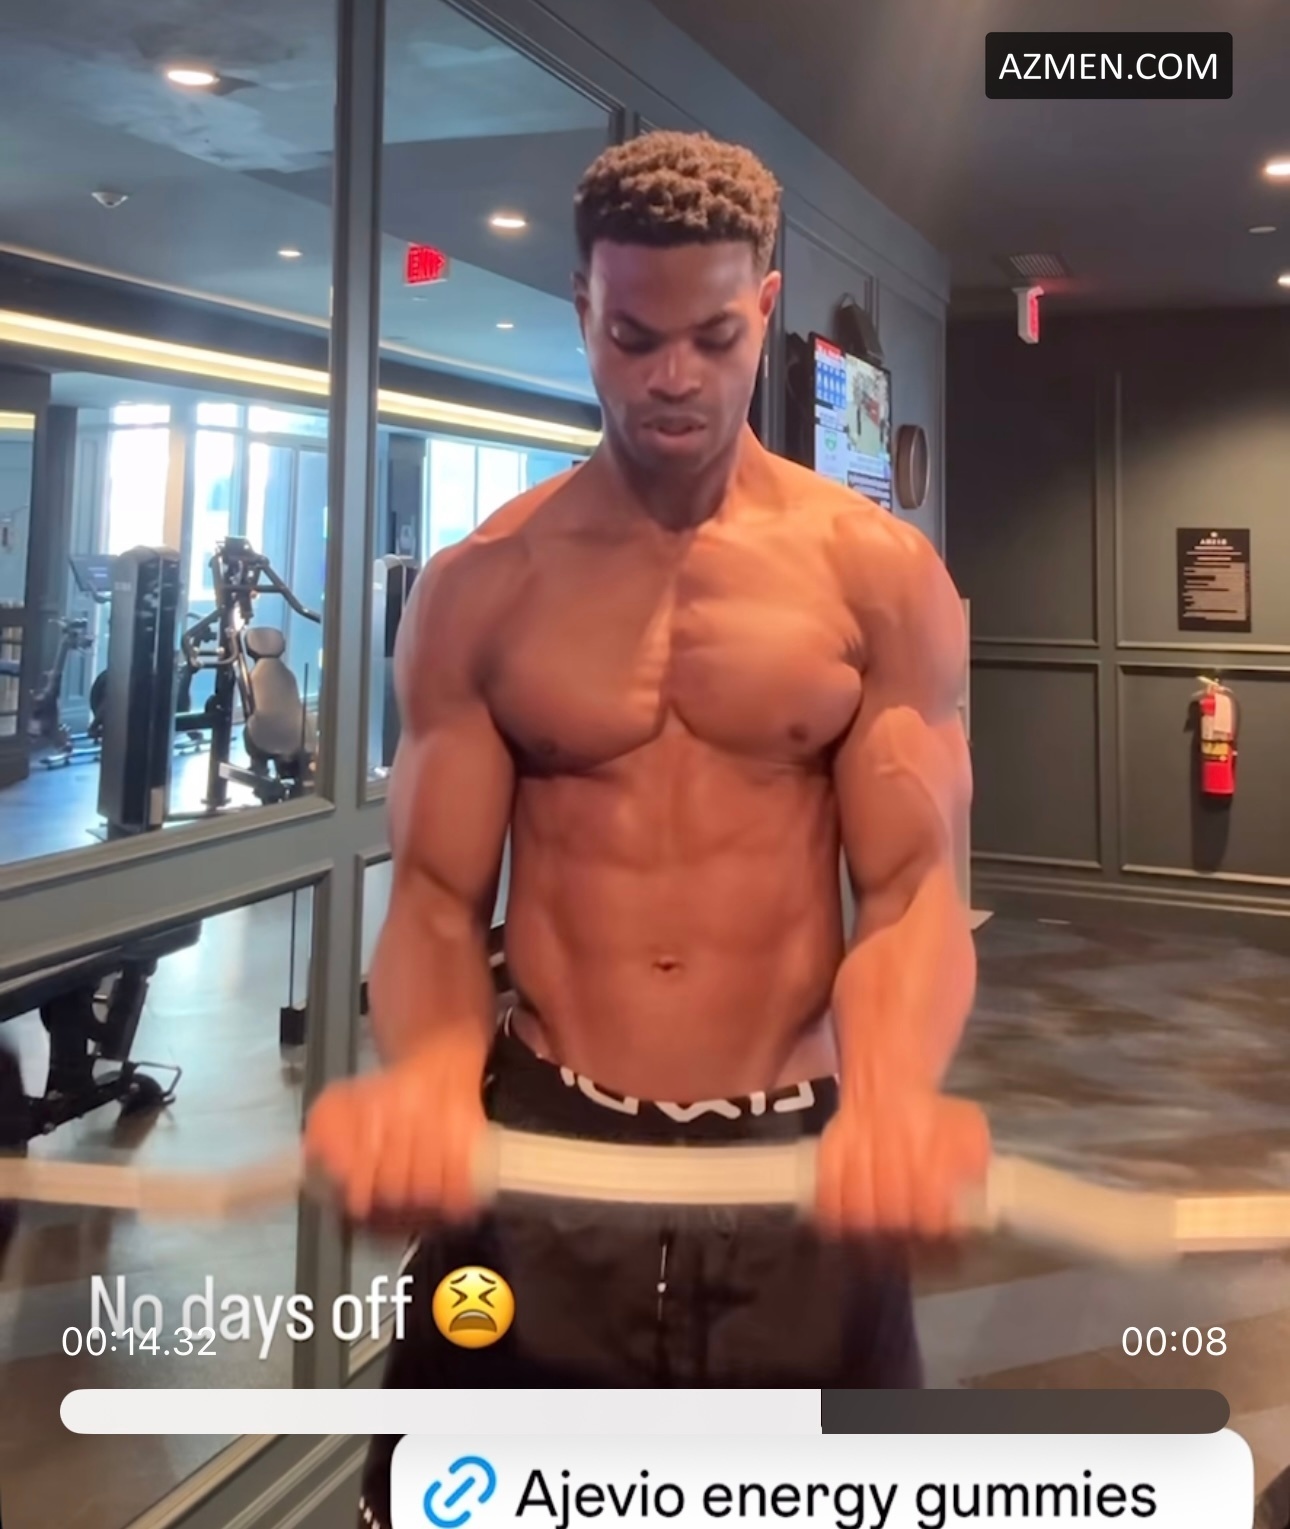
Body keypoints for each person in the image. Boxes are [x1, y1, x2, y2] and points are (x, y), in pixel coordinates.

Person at [304, 130, 989, 1528]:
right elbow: (435, 900)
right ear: (582, 310)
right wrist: (428, 1077)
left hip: (798, 1161)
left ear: (766, 308)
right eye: (632, 336)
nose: (672, 375)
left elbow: (913, 890)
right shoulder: (482, 587)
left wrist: (896, 1098)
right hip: (540, 1156)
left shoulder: (877, 577)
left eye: (713, 336)